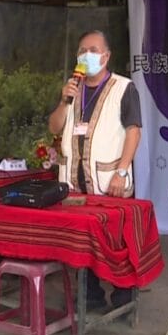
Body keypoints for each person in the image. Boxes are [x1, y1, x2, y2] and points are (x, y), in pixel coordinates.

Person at [48, 30, 142, 310]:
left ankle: (124, 300)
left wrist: (122, 172)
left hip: (109, 182)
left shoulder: (123, 88)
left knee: (116, 244)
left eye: (92, 50)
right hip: (75, 185)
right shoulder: (72, 90)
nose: (86, 55)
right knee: (83, 243)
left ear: (106, 56)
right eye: (81, 50)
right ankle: (90, 297)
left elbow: (134, 132)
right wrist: (64, 101)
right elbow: (54, 127)